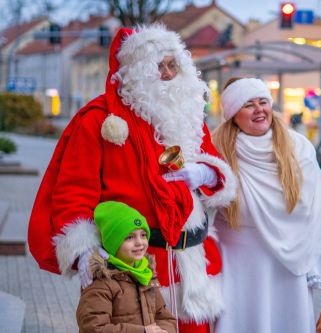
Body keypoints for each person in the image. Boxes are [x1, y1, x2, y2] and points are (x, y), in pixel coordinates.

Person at [28, 25, 237, 333]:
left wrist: (207, 173)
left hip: (192, 265)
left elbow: (214, 168)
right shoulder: (99, 119)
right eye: (158, 66)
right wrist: (85, 252)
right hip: (134, 267)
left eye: (172, 65)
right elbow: (74, 190)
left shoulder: (188, 115)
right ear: (135, 72)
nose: (167, 74)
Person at [211, 77, 321, 333]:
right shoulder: (217, 151)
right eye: (249, 104)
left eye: (263, 102)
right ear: (234, 115)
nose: (259, 109)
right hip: (239, 264)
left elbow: (314, 214)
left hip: (288, 266)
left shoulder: (298, 147)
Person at [77, 201, 176, 333]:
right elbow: (93, 327)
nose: (139, 242)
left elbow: (164, 316)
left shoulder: (146, 274)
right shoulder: (101, 282)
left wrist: (164, 330)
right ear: (113, 243)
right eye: (129, 237)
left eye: (143, 235)